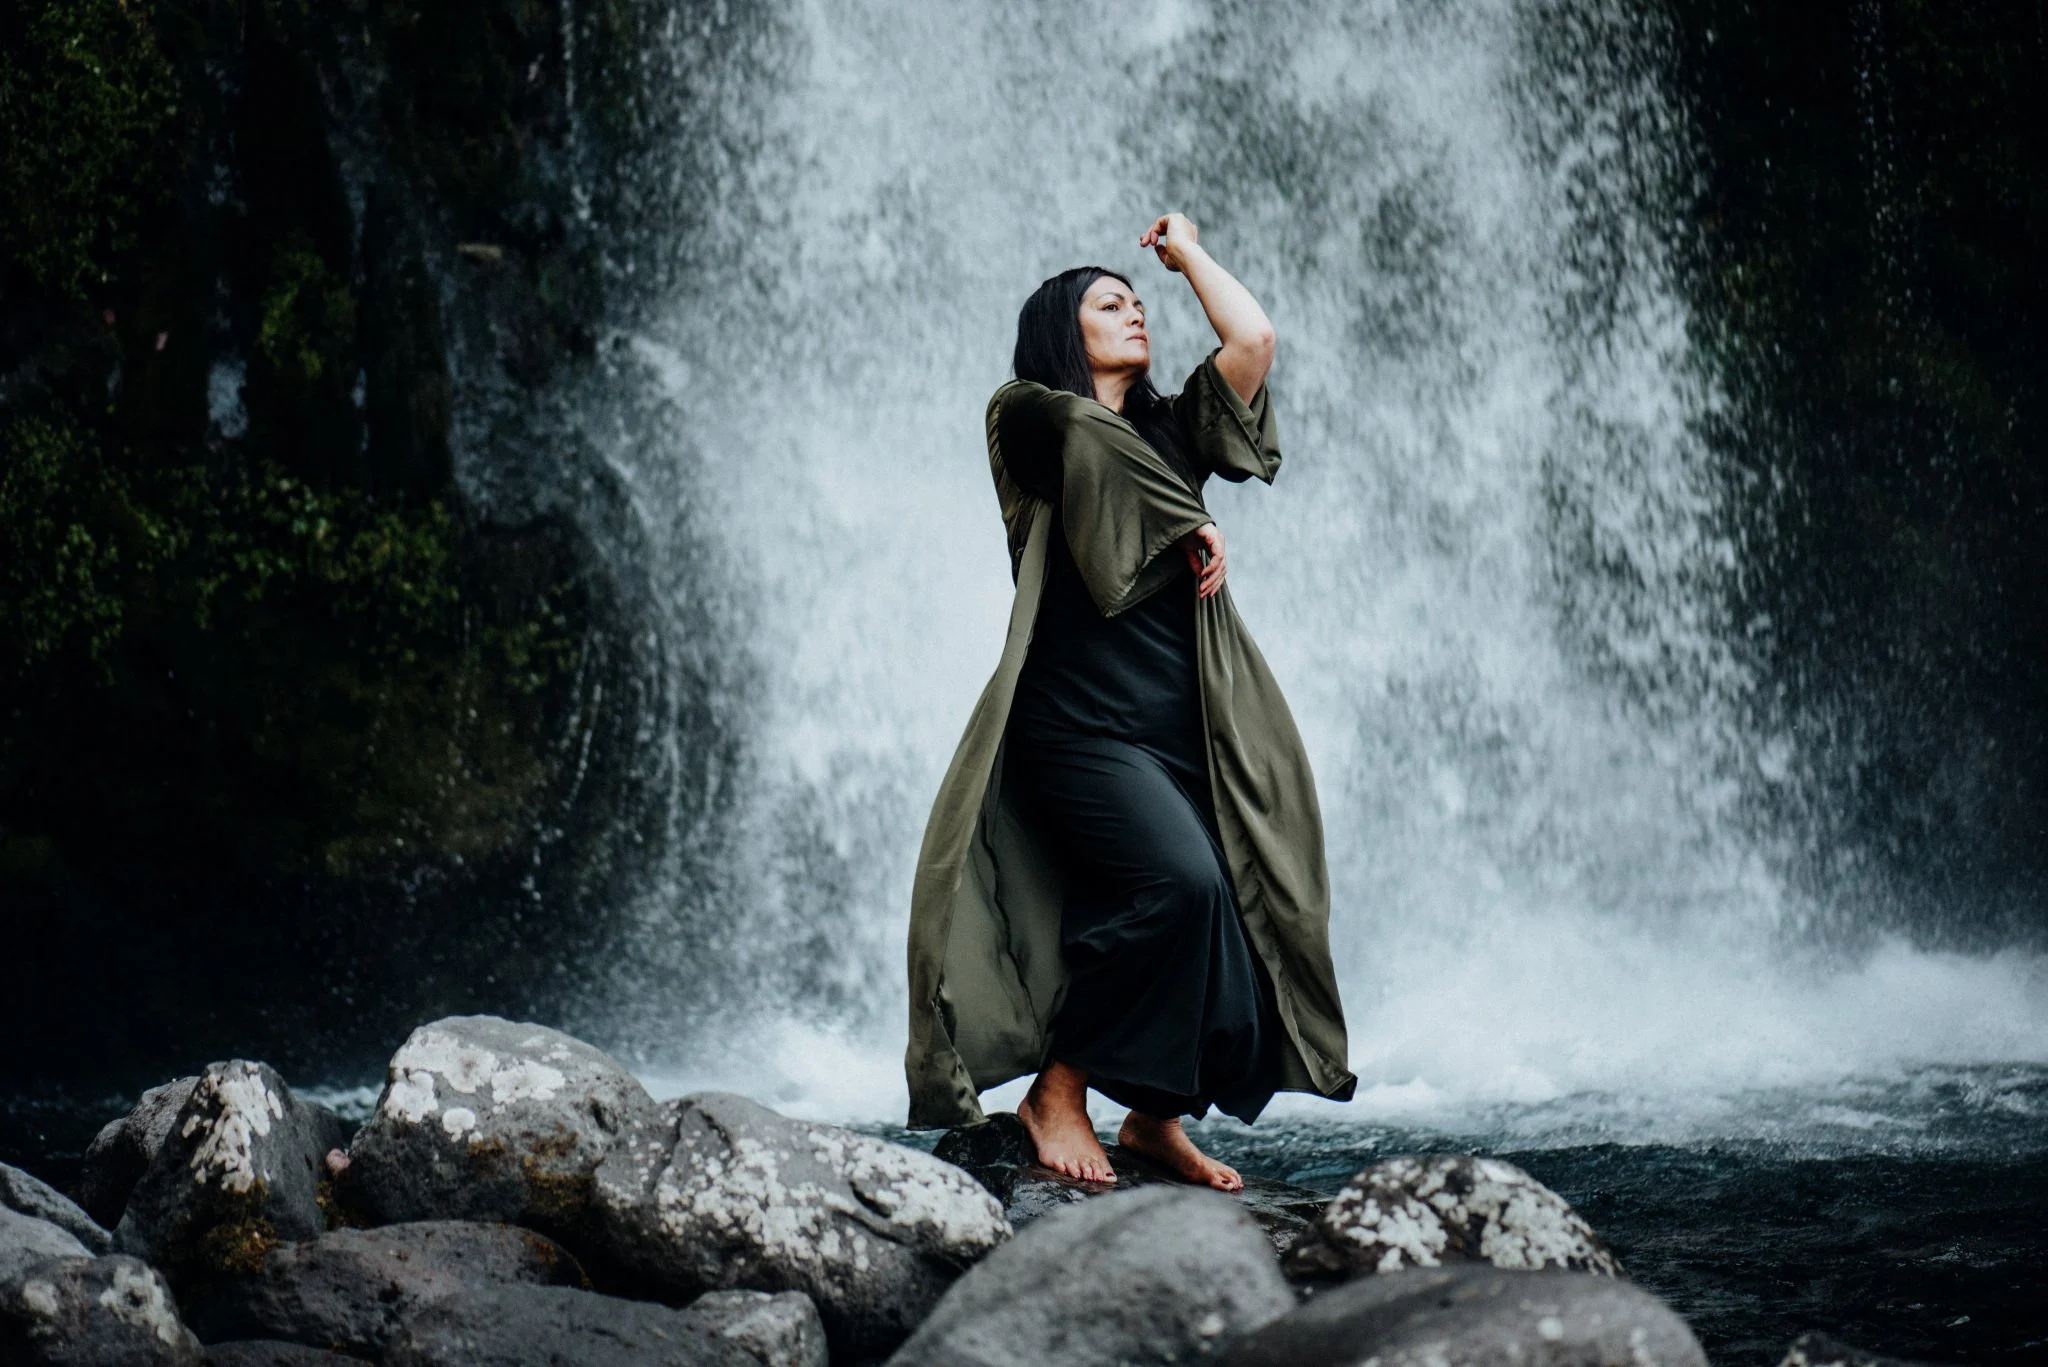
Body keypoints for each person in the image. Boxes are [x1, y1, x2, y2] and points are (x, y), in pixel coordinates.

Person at [904, 213, 1354, 1191]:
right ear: (1066, 332)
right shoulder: (1027, 423)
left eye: (1138, 301)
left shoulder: (1173, 427)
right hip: (1074, 727)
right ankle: (1054, 1093)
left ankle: (1153, 1118)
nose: (1136, 313)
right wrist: (1184, 512)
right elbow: (1077, 434)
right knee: (1178, 884)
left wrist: (1185, 253)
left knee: (1233, 912)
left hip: (1179, 726)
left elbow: (1253, 341)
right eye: (1110, 304)